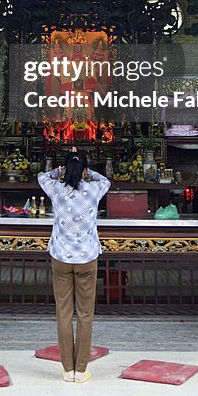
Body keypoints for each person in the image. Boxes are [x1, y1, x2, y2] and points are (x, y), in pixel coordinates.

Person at [38, 149, 111, 383]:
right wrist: (88, 173)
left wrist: (59, 171)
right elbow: (106, 180)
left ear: (66, 170)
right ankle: (81, 370)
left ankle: (67, 369)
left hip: (60, 257)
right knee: (85, 315)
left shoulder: (56, 190)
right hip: (87, 259)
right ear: (85, 171)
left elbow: (41, 177)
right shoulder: (93, 190)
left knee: (63, 313)